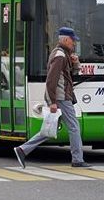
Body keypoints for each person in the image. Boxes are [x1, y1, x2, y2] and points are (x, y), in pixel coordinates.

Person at [14, 27, 90, 169]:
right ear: (66, 40)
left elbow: (70, 75)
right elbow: (51, 80)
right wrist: (52, 102)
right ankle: (78, 159)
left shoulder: (65, 55)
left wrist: (76, 63)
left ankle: (22, 150)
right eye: (73, 41)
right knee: (74, 127)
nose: (74, 44)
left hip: (62, 96)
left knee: (50, 129)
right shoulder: (60, 56)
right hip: (61, 97)